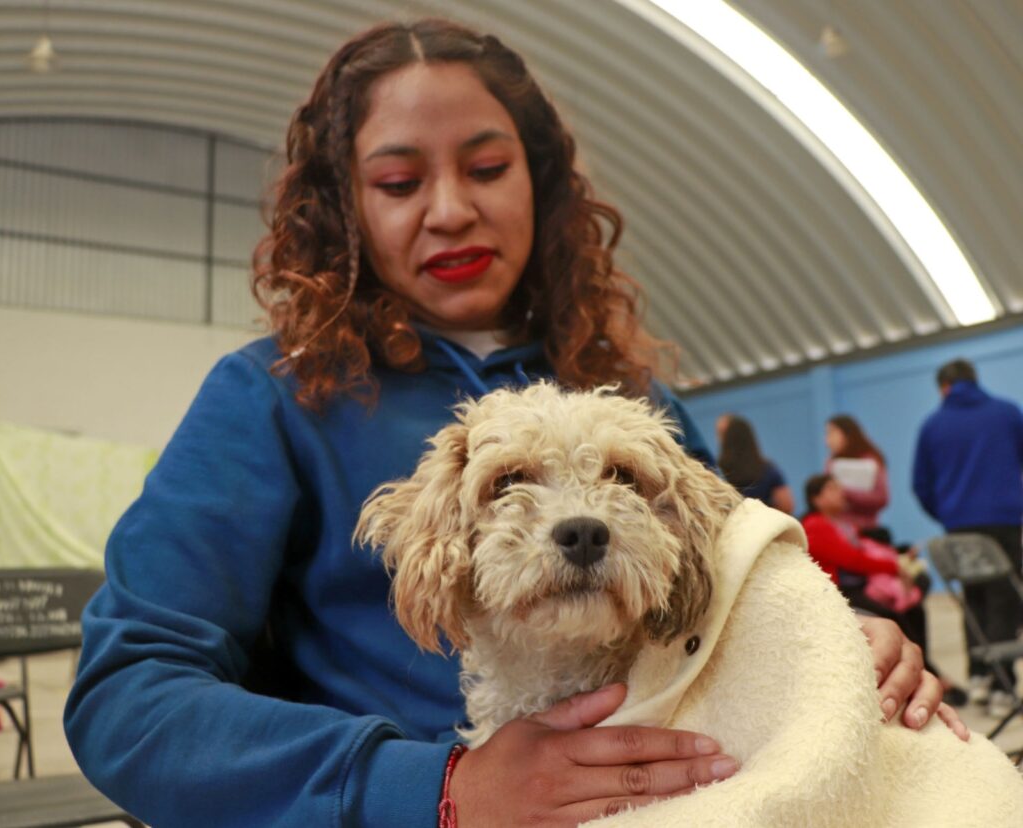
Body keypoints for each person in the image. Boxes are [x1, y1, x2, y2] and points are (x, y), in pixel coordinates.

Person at [63, 19, 963, 828]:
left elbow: (746, 600)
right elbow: (128, 699)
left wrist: (842, 643)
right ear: (347, 207)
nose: (451, 210)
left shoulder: (636, 403)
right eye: (398, 181)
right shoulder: (272, 399)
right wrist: (432, 789)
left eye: (488, 169)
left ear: (541, 181)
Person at [913, 357, 1023, 720]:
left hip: (959, 526)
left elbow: (921, 484)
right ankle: (1003, 687)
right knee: (1004, 598)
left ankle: (978, 676)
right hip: (1005, 521)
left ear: (944, 387)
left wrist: (948, 513)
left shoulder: (932, 425)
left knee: (973, 596)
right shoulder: (1008, 413)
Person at [716, 413, 794, 513]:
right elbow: (786, 505)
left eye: (720, 434)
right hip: (766, 520)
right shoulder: (768, 469)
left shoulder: (718, 473)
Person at [825, 414, 889, 533]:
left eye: (832, 433)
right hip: (839, 530)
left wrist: (844, 491)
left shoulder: (870, 461)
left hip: (867, 530)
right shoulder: (831, 463)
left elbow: (882, 497)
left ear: (847, 434)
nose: (827, 440)